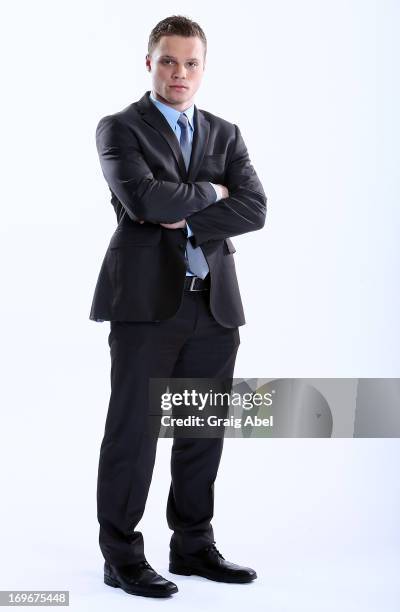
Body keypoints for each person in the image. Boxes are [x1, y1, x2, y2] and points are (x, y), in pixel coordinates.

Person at [89, 14, 267, 598]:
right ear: (149, 63)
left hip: (214, 305)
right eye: (168, 60)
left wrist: (182, 207)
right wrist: (214, 193)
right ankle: (121, 555)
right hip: (144, 305)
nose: (179, 73)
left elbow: (255, 209)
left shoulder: (225, 132)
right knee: (133, 432)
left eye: (191, 62)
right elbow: (142, 197)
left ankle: (192, 544)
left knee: (200, 431)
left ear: (203, 68)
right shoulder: (119, 128)